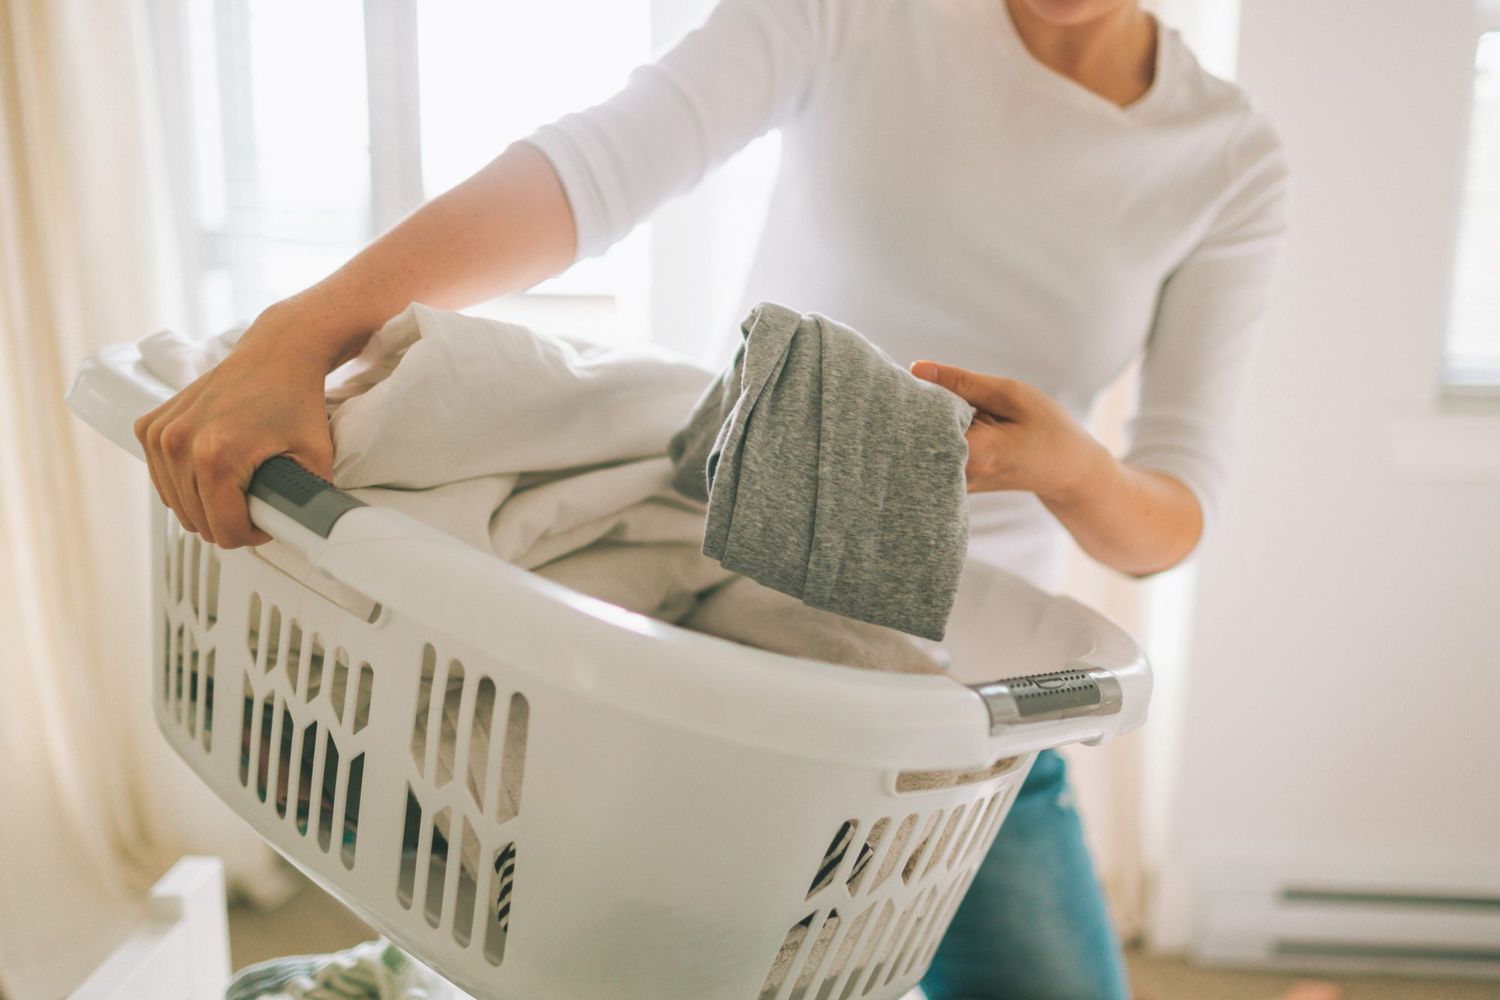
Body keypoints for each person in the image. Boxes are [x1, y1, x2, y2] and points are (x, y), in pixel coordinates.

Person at [136, 0, 1289, 996]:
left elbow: (1171, 511)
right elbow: (600, 165)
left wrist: (1075, 469)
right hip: (723, 626)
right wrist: (303, 332)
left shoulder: (1227, 160)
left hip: (971, 705)